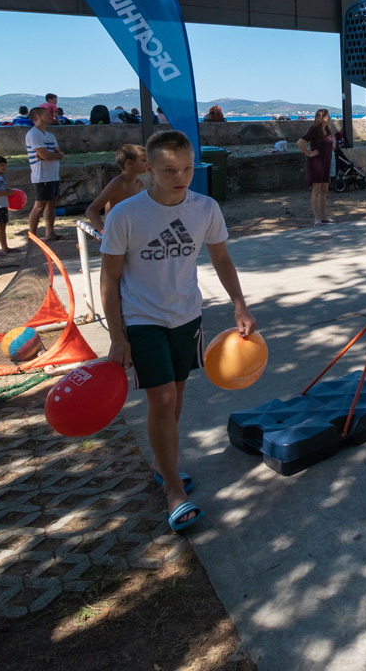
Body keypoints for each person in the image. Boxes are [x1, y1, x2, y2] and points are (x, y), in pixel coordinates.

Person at [101, 130, 256, 532]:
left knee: (178, 393)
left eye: (187, 168)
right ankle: (173, 489)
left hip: (187, 315)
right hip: (142, 318)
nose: (180, 177)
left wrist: (239, 303)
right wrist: (117, 337)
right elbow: (109, 280)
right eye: (169, 170)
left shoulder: (205, 208)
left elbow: (221, 258)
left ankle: (162, 462)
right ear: (149, 169)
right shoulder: (125, 215)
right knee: (163, 398)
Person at [86, 144, 149, 232]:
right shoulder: (118, 184)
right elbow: (91, 210)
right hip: (117, 234)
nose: (148, 164)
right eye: (144, 160)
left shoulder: (139, 184)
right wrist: (104, 232)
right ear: (129, 163)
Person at [25, 106, 64, 241]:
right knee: (39, 205)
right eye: (47, 114)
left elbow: (57, 153)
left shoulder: (50, 135)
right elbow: (46, 155)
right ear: (39, 116)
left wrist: (52, 155)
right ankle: (33, 235)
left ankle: (50, 232)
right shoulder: (33, 134)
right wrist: (52, 155)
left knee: (52, 204)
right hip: (41, 175)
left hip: (53, 173)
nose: (50, 116)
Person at [296, 108, 336, 225]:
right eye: (327, 116)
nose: (329, 118)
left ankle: (324, 216)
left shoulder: (327, 131)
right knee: (316, 190)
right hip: (316, 164)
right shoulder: (314, 129)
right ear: (322, 117)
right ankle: (316, 218)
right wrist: (308, 153)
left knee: (324, 190)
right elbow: (300, 142)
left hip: (326, 163)